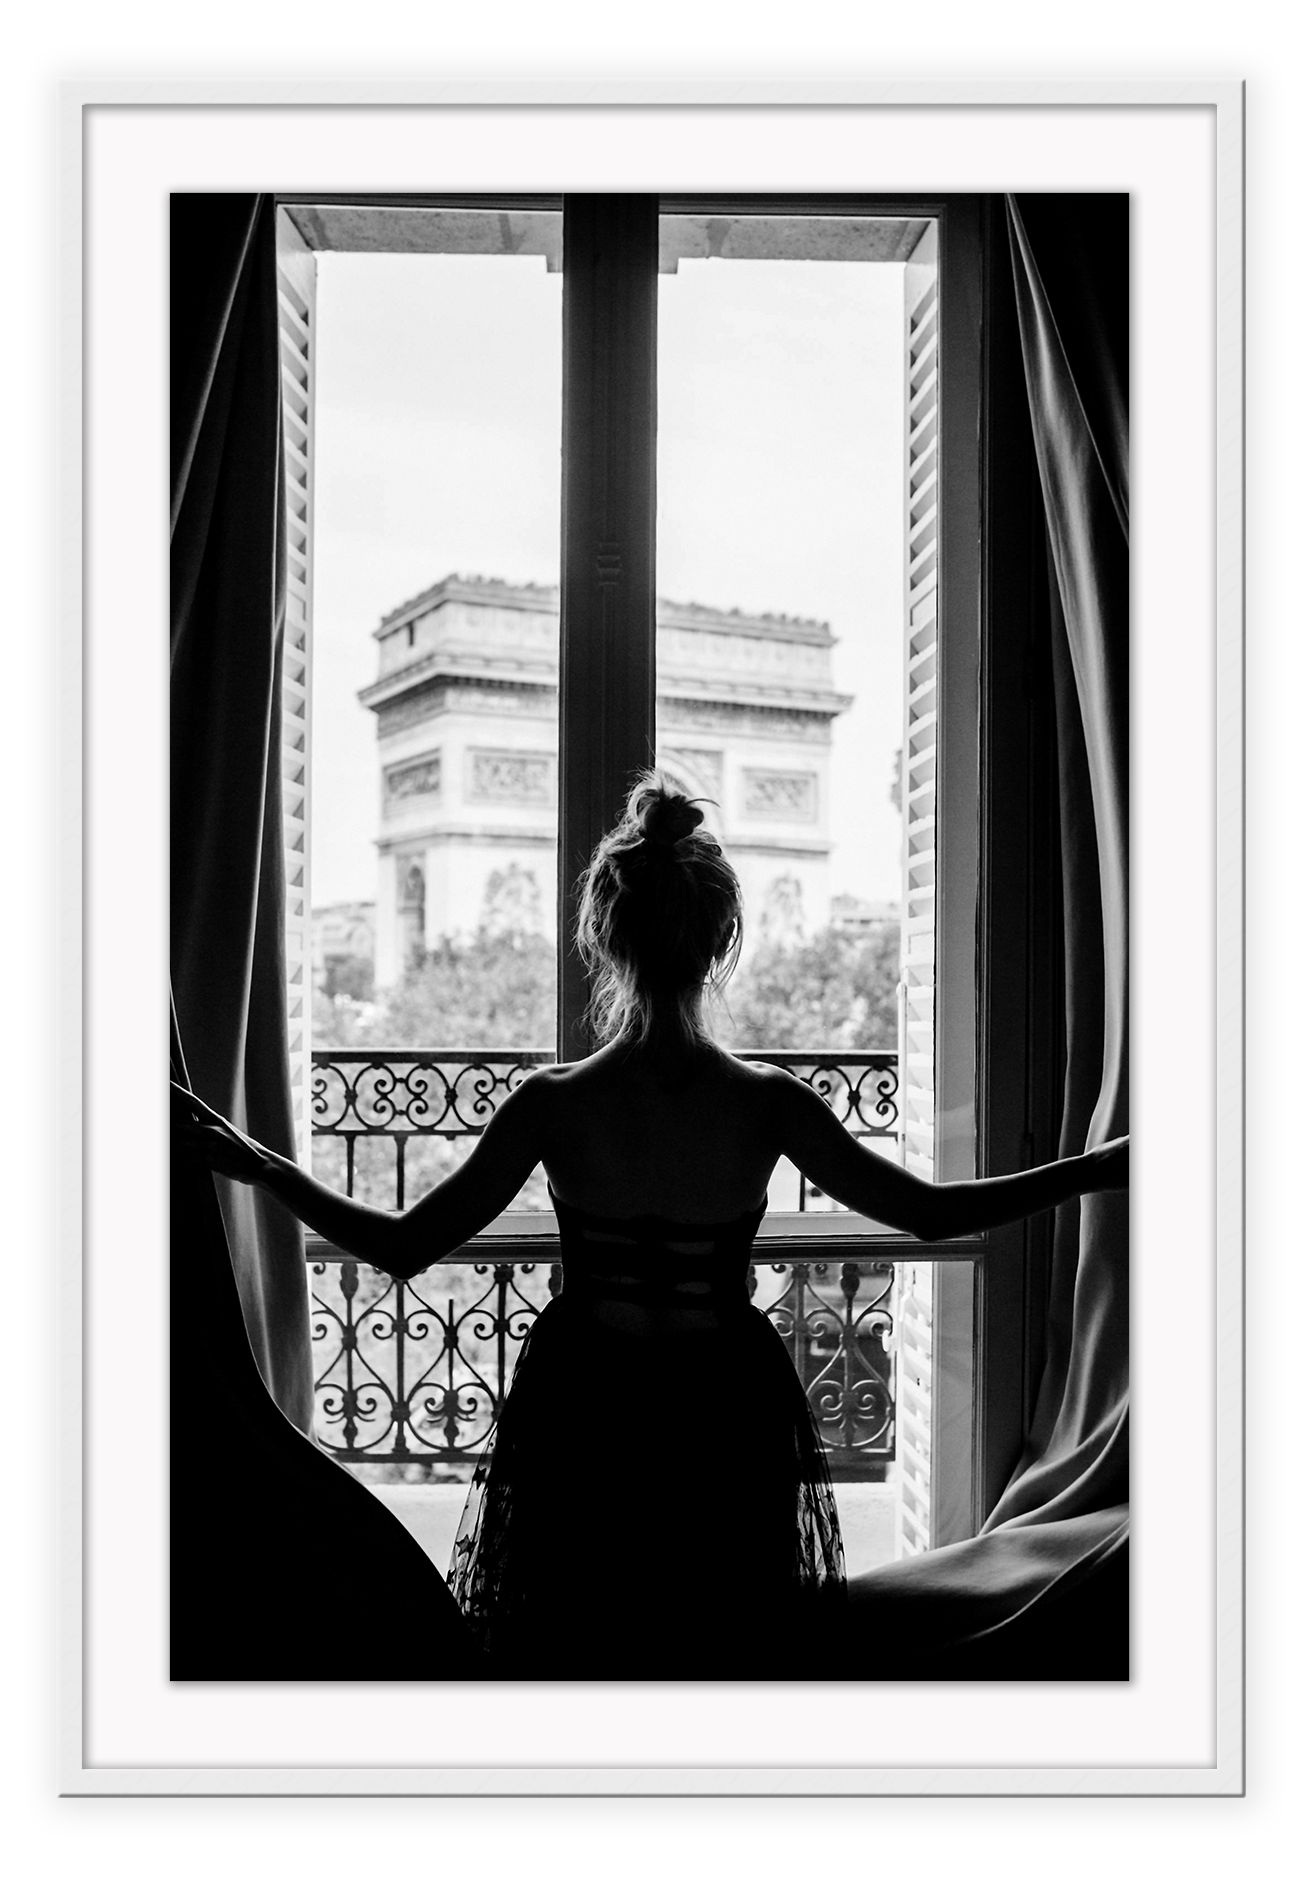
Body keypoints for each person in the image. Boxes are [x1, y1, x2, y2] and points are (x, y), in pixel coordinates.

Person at [173, 773, 1129, 1681]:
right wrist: (1093, 1167)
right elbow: (929, 1213)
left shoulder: (553, 1104)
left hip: (588, 1401)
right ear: (722, 940)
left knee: (581, 1639)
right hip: (724, 1404)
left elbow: (401, 1244)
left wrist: (261, 1163)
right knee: (724, 1640)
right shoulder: (769, 1103)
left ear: (601, 936)